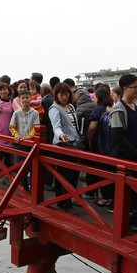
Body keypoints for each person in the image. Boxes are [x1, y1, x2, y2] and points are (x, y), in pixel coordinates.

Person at [109, 74, 137, 231]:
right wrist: (134, 155)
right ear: (125, 88)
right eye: (135, 87)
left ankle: (136, 218)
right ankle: (126, 223)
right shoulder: (118, 110)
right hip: (125, 159)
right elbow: (117, 138)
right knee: (127, 191)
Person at [49, 82, 82, 210]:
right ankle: (64, 202)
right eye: (62, 94)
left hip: (74, 143)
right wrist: (61, 135)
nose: (65, 97)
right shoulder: (54, 109)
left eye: (67, 94)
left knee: (72, 174)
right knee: (65, 175)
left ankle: (64, 200)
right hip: (62, 144)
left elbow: (75, 126)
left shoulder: (71, 107)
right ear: (56, 95)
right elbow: (56, 126)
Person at [9, 88, 40, 189]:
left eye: (27, 98)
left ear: (30, 99)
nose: (25, 100)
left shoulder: (35, 113)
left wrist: (29, 137)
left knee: (32, 167)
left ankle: (32, 189)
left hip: (31, 143)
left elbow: (36, 127)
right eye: (23, 98)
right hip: (20, 142)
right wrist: (16, 135)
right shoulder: (16, 113)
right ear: (20, 100)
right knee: (21, 166)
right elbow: (12, 126)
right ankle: (24, 188)